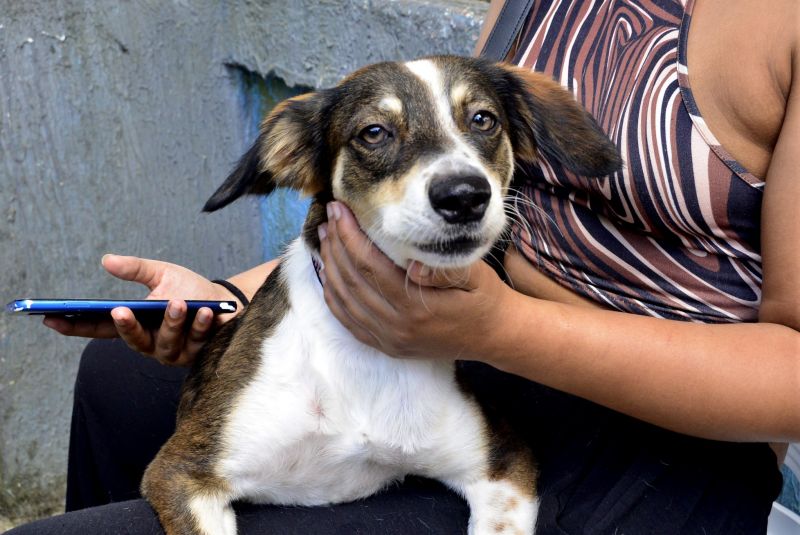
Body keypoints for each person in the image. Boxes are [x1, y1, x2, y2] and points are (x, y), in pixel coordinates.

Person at [9, 0, 799, 533]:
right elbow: (404, 198)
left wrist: (501, 327)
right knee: (117, 380)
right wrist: (230, 297)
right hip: (468, 325)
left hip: (663, 430)